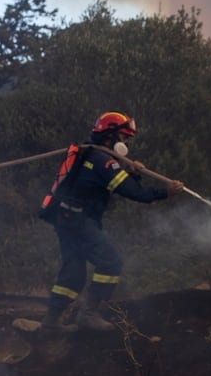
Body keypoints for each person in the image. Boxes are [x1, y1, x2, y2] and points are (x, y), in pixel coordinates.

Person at [38, 111, 183, 333]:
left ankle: (50, 322)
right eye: (124, 138)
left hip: (66, 218)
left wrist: (133, 174)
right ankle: (88, 315)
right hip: (78, 221)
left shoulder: (91, 154)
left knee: (74, 271)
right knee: (110, 262)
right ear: (110, 137)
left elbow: (116, 184)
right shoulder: (102, 161)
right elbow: (136, 194)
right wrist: (166, 191)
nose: (125, 143)